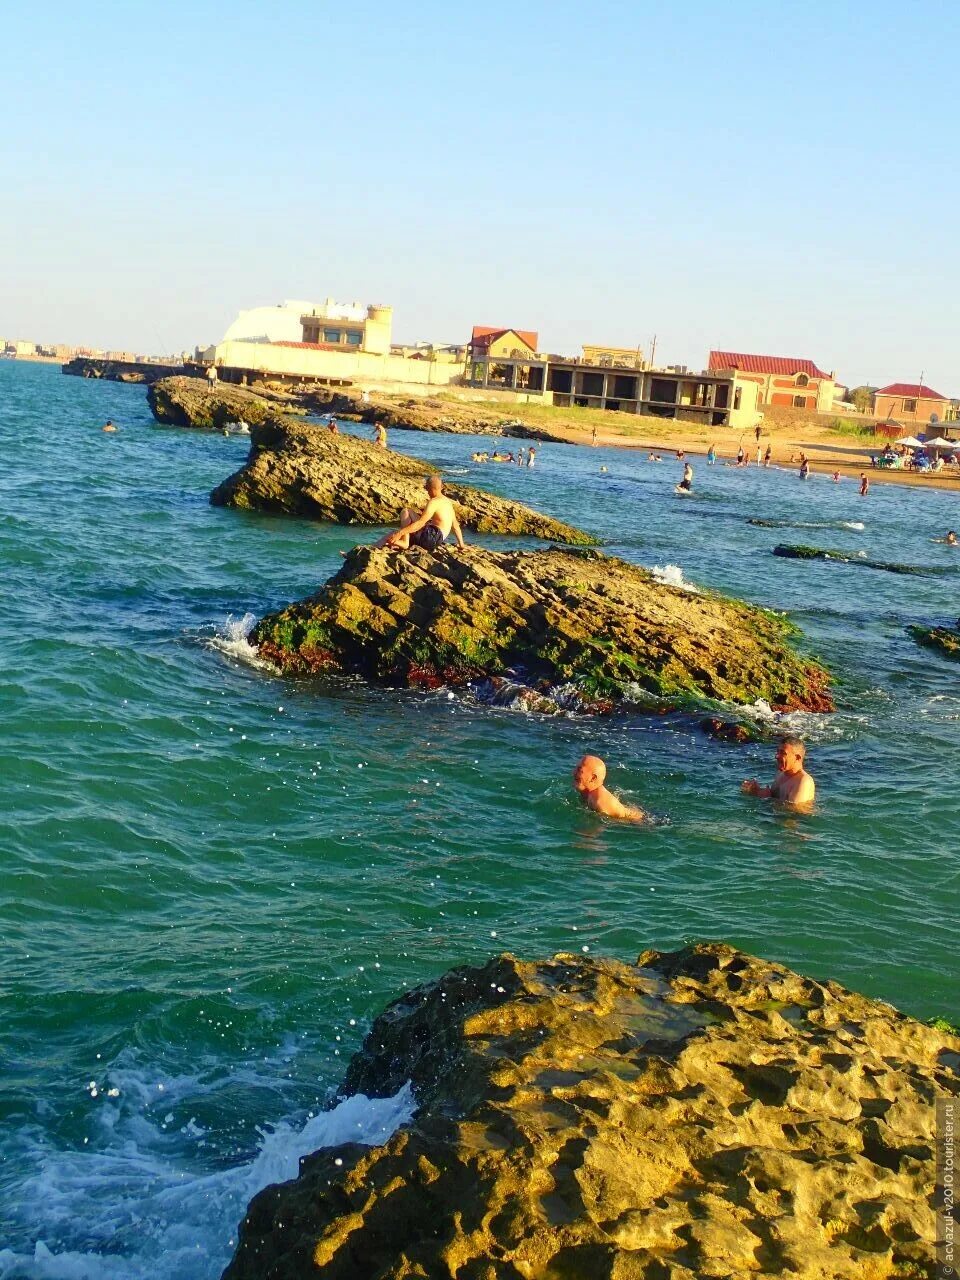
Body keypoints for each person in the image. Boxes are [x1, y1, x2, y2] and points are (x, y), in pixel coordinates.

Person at [378, 475, 465, 552]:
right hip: (437, 540)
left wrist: (400, 533)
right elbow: (455, 526)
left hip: (430, 537)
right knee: (391, 534)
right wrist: (461, 545)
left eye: (426, 488)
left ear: (429, 488)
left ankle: (404, 542)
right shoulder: (448, 502)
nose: (426, 491)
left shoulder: (433, 502)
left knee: (406, 511)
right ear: (441, 487)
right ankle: (395, 543)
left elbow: (420, 523)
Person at [741, 738, 815, 810]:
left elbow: (795, 812)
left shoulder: (804, 781)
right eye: (777, 752)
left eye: (783, 753)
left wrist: (767, 798)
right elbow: (774, 796)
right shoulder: (781, 773)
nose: (776, 756)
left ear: (797, 757)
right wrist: (757, 791)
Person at [572, 755, 644, 822]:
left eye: (579, 770)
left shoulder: (598, 802)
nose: (573, 772)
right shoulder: (590, 794)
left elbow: (596, 830)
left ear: (593, 778)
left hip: (642, 822)